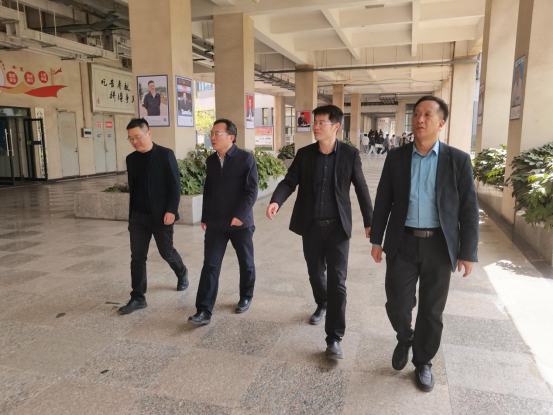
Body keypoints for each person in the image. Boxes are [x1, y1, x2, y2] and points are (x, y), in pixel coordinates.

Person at [370, 96, 479, 392]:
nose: (420, 119)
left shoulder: (458, 160)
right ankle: (405, 337)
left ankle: (423, 361)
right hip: (402, 241)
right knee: (397, 303)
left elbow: (469, 208)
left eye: (427, 115)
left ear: (441, 123)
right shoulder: (397, 157)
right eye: (417, 114)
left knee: (431, 310)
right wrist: (377, 239)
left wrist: (468, 252)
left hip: (439, 246)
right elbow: (383, 200)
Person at [266, 104, 373, 360]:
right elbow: (289, 181)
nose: (315, 126)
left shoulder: (349, 154)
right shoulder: (305, 155)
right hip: (311, 227)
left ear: (336, 126)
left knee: (338, 282)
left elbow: (361, 188)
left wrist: (370, 222)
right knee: (315, 273)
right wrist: (276, 200)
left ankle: (334, 338)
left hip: (338, 229)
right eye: (315, 122)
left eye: (321, 122)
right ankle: (322, 302)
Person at [189, 119, 258, 325]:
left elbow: (251, 191)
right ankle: (204, 310)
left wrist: (240, 215)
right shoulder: (211, 160)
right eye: (211, 133)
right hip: (216, 224)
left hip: (240, 224)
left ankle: (246, 296)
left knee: (246, 263)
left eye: (217, 133)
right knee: (210, 265)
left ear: (231, 137)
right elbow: (209, 190)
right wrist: (205, 216)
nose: (212, 137)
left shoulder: (245, 158)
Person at [119, 118, 188, 315]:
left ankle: (181, 271)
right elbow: (134, 189)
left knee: (166, 252)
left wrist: (171, 210)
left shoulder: (165, 154)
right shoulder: (131, 159)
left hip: (161, 215)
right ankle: (138, 297)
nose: (134, 142)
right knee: (137, 257)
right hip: (138, 217)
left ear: (148, 134)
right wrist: (132, 216)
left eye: (137, 137)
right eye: (130, 138)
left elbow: (175, 185)